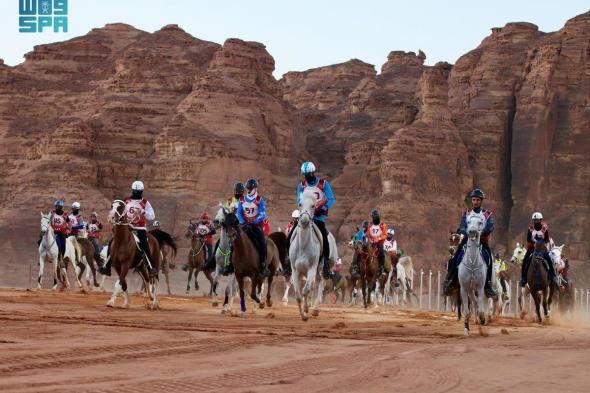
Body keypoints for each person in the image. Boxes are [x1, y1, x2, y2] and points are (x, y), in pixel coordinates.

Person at [443, 188, 497, 298]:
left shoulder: (487, 214)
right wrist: (466, 231)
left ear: (481, 201)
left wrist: (482, 232)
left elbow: (490, 226)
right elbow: (462, 226)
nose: (475, 202)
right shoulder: (467, 213)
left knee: (489, 260)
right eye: (473, 200)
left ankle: (488, 285)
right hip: (467, 239)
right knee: (456, 256)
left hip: (482, 241)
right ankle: (451, 281)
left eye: (477, 200)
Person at [288, 162, 336, 279]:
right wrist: (304, 209)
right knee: (290, 236)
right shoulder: (301, 186)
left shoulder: (323, 184)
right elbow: (299, 201)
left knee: (324, 237)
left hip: (318, 217)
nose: (307, 176)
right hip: (305, 216)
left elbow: (331, 199)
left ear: (313, 172)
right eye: (305, 175)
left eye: (308, 174)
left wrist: (322, 207)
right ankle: (288, 262)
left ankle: (325, 264)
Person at [100, 180, 157, 277]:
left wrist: (143, 212)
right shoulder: (126, 200)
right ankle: (107, 265)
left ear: (141, 191)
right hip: (128, 225)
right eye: (135, 190)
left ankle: (150, 267)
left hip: (140, 228)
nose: (136, 193)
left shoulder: (145, 202)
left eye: (137, 191)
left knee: (144, 243)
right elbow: (120, 212)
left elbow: (152, 216)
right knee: (113, 241)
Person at [237, 178, 270, 277]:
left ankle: (263, 265)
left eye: (250, 188)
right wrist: (243, 222)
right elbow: (239, 212)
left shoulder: (260, 200)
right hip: (244, 225)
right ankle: (230, 264)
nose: (248, 190)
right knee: (234, 239)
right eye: (247, 188)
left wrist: (253, 222)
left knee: (262, 243)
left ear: (255, 189)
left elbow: (262, 214)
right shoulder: (241, 199)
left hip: (256, 226)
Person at [520, 212, 557, 287]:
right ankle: (523, 278)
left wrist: (541, 242)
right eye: (535, 220)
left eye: (537, 220)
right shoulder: (530, 228)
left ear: (541, 220)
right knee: (525, 260)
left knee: (549, 259)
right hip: (533, 248)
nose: (536, 222)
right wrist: (535, 242)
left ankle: (553, 276)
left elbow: (547, 239)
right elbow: (528, 239)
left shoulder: (544, 228)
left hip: (542, 248)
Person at [366, 209, 388, 276]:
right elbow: (368, 233)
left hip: (379, 243)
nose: (372, 218)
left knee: (382, 253)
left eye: (373, 217)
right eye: (372, 217)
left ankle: (382, 268)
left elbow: (385, 235)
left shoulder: (382, 225)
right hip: (371, 242)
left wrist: (378, 239)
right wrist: (370, 239)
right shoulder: (370, 224)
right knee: (362, 251)